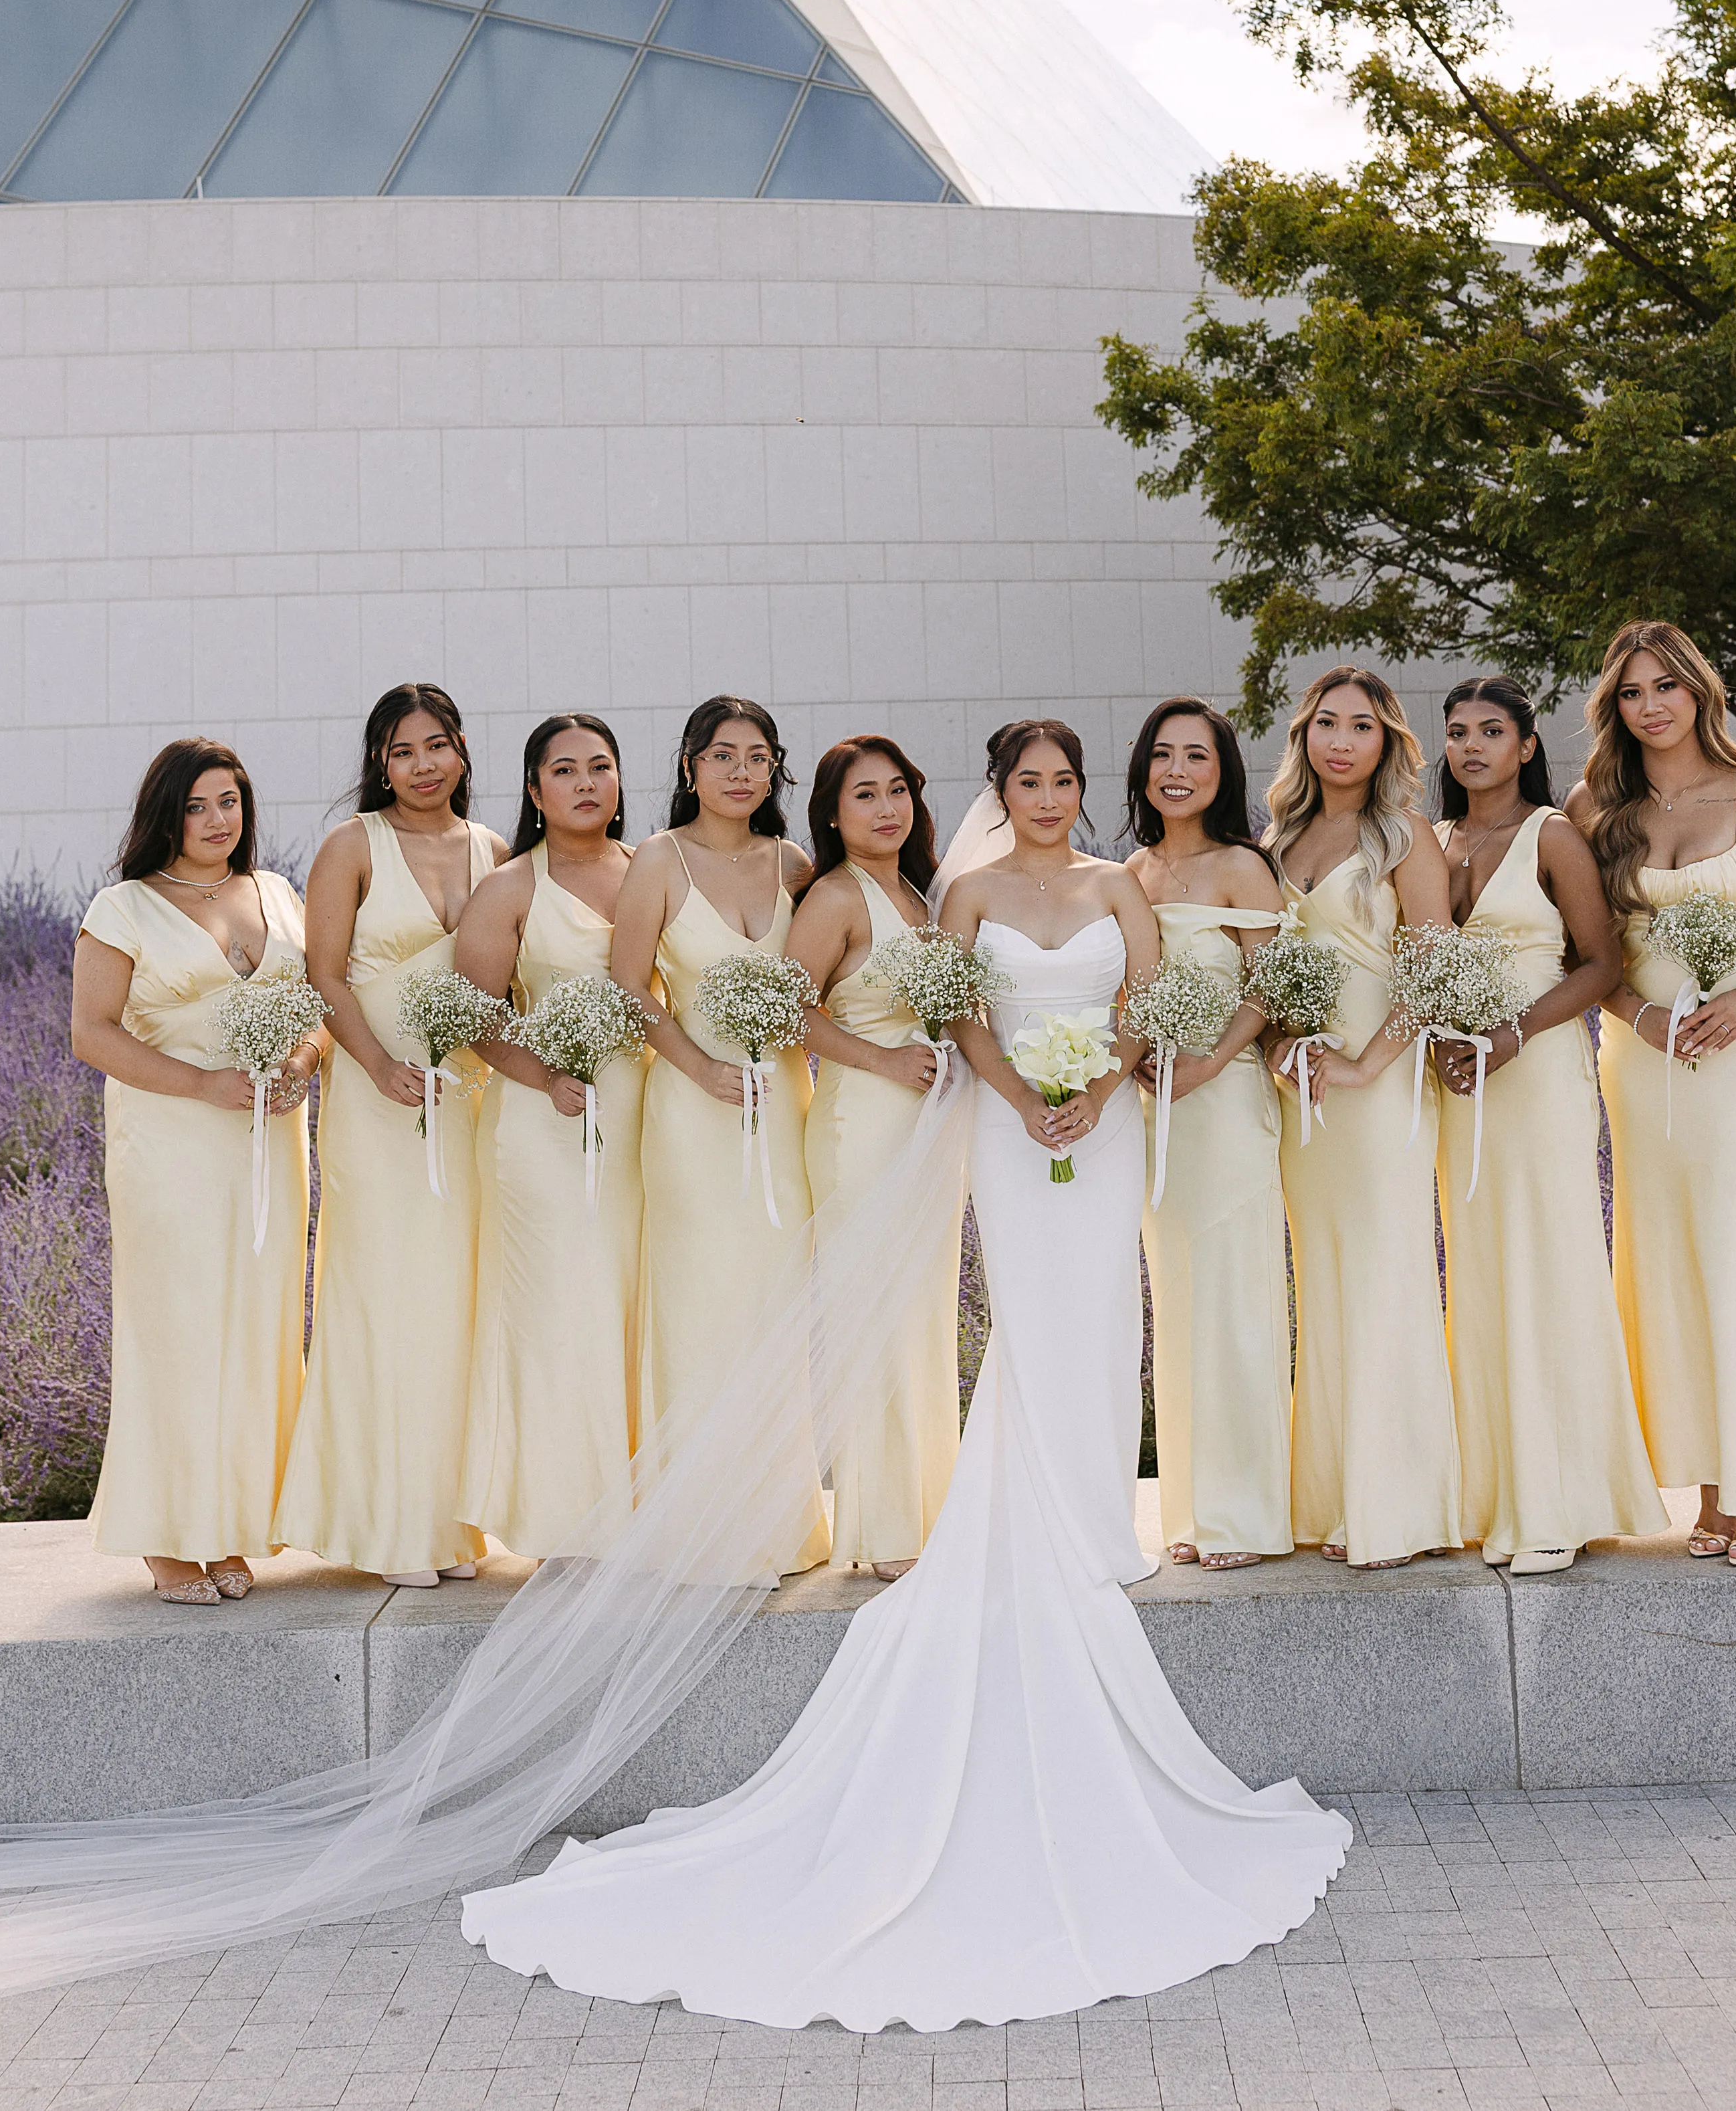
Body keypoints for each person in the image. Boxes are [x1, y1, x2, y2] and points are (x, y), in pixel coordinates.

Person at [459, 716, 1349, 2024]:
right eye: (1025, 782)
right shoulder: (959, 898)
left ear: (1074, 793)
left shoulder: (1097, 889)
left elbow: (1141, 1000)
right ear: (998, 798)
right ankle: (982, 1507)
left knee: (1104, 1311)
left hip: (1095, 1120)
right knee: (1030, 1314)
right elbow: (949, 1015)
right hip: (994, 1122)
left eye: (1062, 779)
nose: (1046, 797)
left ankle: (1093, 1516)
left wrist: (1098, 1082)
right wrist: (1009, 1085)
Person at [1567, 621, 1736, 1567]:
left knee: (1730, 1247)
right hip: (1637, 1057)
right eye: (1632, 692)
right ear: (1617, 708)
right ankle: (1712, 1490)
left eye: (1666, 686)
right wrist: (1636, 1018)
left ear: (1698, 694)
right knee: (1660, 1257)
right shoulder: (1594, 807)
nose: (1651, 705)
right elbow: (1588, 954)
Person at [71, 741, 317, 1605]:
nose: (218, 821)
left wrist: (300, 1060)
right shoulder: (124, 907)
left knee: (256, 1325)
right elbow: (93, 1033)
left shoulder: (279, 895)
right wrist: (205, 1085)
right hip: (171, 1144)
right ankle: (168, 1536)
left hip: (267, 1147)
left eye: (231, 802)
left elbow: (318, 1006)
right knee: (175, 1327)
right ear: (166, 816)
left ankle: (227, 1522)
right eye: (198, 806)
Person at [272, 686, 507, 1585]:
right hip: (378, 1103)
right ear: (379, 763)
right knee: (387, 1301)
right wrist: (374, 1067)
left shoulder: (491, 851)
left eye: (439, 745)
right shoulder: (350, 848)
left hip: (468, 1101)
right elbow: (324, 975)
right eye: (404, 751)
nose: (424, 765)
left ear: (460, 752)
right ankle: (387, 1527)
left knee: (456, 1305)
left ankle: (448, 1525)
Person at [1430, 678, 1665, 1571]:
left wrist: (1511, 1033)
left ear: (1526, 746)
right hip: (1459, 1085)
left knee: (1548, 1267)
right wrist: (1445, 1042)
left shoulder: (1551, 836)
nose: (1472, 747)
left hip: (1536, 1075)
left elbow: (1601, 962)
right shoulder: (1434, 840)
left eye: (1492, 732)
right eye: (1457, 733)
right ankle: (1492, 1496)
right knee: (1481, 1276)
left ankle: (1557, 1505)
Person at [609, 696, 825, 1580]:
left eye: (758, 756)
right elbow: (630, 988)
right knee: (699, 1304)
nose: (741, 771)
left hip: (781, 1108)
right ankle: (698, 1523)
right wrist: (696, 1068)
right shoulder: (658, 861)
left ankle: (778, 1522)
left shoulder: (796, 865)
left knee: (772, 1303)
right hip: (692, 1114)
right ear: (690, 764)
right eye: (722, 755)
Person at [1262, 666, 1462, 1568]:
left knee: (1385, 1278)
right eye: (1326, 724)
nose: (1340, 741)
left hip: (1375, 1091)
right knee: (1325, 1282)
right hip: (1301, 1097)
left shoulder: (1402, 836)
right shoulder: (1276, 839)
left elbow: (1431, 965)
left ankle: (1398, 1507)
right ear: (1303, 736)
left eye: (1361, 727)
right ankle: (1331, 1499)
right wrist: (1280, 1046)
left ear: (1386, 743)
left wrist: (1366, 1063)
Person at [453, 715, 644, 1561]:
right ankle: (566, 1520)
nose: (585, 784)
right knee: (563, 1307)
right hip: (544, 1122)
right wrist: (547, 1076)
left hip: (642, 1120)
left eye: (599, 767)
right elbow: (474, 1016)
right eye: (563, 771)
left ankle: (639, 1502)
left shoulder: (652, 871)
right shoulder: (510, 890)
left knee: (631, 1304)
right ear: (534, 791)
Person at [1121, 698, 1289, 1569]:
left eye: (1197, 755)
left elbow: (1268, 992)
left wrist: (1205, 1063)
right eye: (1163, 754)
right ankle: (1191, 1510)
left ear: (1222, 772)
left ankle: (1246, 1517)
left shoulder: (1241, 868)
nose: (1177, 770)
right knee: (1180, 1304)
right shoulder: (1131, 872)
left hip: (1223, 1106)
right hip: (1155, 1118)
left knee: (1236, 1305)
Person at [788, 736, 956, 1578]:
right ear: (830, 812)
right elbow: (786, 1008)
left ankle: (925, 1513)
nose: (887, 808)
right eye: (865, 795)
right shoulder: (836, 898)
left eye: (898, 790)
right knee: (875, 1320)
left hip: (922, 1133)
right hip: (861, 1121)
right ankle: (883, 1527)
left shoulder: (919, 898)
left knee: (917, 1317)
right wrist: (881, 1059)